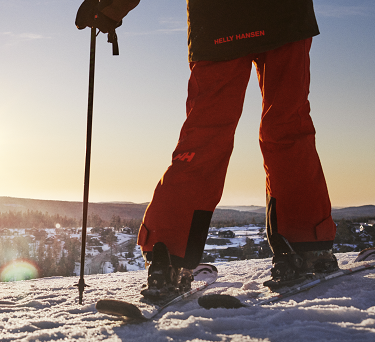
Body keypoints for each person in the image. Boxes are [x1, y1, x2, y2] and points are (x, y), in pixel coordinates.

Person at [77, 0, 337, 300]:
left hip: (220, 20)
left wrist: (110, 6)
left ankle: (169, 258)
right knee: (288, 129)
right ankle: (308, 247)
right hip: (283, 15)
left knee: (204, 137)